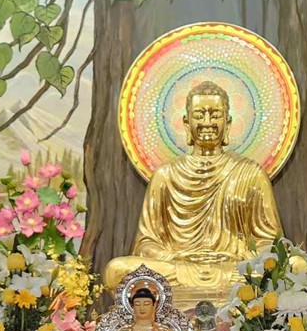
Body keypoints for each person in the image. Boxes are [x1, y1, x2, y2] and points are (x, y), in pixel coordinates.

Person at [103, 81, 283, 300]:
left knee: (294, 266)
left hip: (232, 270)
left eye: (215, 115)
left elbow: (270, 244)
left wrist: (239, 256)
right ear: (187, 122)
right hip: (178, 269)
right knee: (116, 270)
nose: (207, 122)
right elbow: (146, 244)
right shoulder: (166, 175)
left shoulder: (251, 174)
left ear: (227, 122)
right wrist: (176, 257)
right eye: (199, 115)